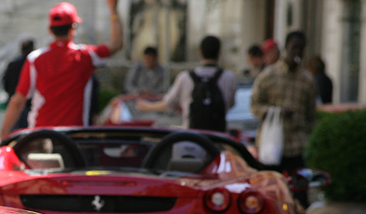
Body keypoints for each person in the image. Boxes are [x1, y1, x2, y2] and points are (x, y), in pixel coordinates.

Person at [0, 0, 123, 139]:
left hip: (40, 137)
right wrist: (113, 10)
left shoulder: (35, 59)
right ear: (73, 28)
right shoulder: (86, 56)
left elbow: (17, 102)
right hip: (74, 139)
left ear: (50, 30)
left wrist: (1, 137)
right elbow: (117, 43)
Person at [250, 30, 317, 204]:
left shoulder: (307, 80)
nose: (297, 52)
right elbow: (255, 106)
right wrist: (276, 112)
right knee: (268, 192)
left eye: (300, 49)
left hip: (297, 145)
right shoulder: (268, 75)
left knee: (301, 195)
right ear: (286, 47)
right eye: (294, 47)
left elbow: (312, 115)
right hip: (272, 145)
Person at [136, 35, 237, 131]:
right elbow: (230, 104)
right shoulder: (229, 78)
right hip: (218, 139)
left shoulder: (185, 77)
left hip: (192, 138)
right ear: (219, 53)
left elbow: (168, 104)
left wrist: (147, 107)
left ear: (200, 52)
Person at [0, 37, 33, 132]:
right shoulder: (32, 64)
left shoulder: (13, 64)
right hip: (27, 105)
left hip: (16, 105)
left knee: (16, 138)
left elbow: (6, 84)